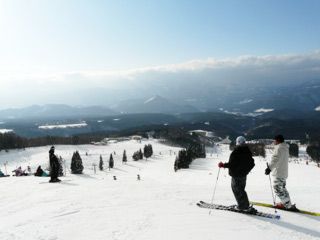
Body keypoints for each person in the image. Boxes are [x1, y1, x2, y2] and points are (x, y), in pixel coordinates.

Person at [218, 136, 256, 213]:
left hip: (236, 175)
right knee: (241, 190)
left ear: (237, 142)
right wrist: (246, 170)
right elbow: (252, 163)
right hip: (243, 175)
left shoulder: (236, 152)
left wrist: (223, 165)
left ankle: (243, 206)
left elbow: (232, 164)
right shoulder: (247, 151)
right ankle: (244, 205)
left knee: (237, 190)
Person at [265, 135, 296, 210]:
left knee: (277, 189)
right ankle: (287, 203)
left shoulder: (279, 148)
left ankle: (287, 205)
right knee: (283, 189)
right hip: (283, 173)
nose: (274, 142)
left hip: (278, 173)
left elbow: (275, 159)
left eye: (274, 140)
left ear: (278, 140)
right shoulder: (285, 147)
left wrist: (269, 168)